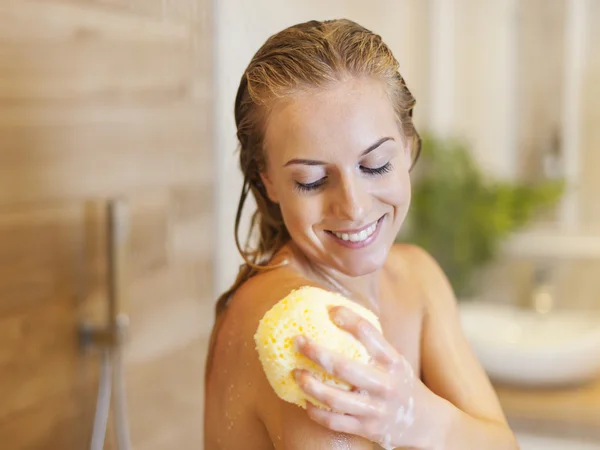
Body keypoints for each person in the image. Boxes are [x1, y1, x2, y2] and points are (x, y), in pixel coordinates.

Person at [204, 18, 518, 450]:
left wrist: (421, 420)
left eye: (375, 166)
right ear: (268, 180)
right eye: (312, 180)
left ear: (407, 147)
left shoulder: (416, 277)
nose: (352, 206)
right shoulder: (300, 328)